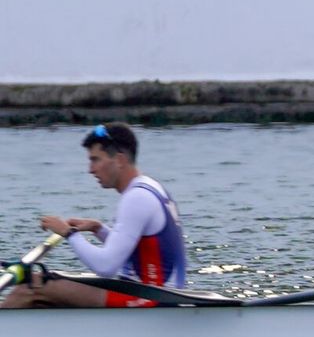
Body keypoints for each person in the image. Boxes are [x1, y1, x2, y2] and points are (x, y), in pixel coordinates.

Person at [2, 123, 187, 309]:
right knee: (46, 288)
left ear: (120, 160)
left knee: (32, 287)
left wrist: (69, 233)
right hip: (154, 294)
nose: (90, 169)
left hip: (152, 300)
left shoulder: (136, 198)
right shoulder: (150, 187)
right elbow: (135, 250)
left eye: (96, 160)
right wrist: (98, 229)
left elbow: (106, 267)